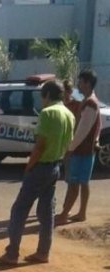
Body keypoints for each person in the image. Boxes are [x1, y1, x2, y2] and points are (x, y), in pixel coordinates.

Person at [0, 80, 74, 266]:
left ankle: (12, 253)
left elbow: (40, 145)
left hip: (41, 166)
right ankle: (43, 252)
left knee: (19, 209)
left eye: (42, 97)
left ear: (47, 96)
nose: (41, 101)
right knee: (46, 212)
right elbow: (69, 144)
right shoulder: (68, 114)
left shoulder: (48, 113)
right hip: (55, 166)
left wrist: (29, 165)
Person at [55, 70, 101, 225]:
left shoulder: (90, 103)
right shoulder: (90, 100)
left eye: (80, 81)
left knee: (74, 184)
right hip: (85, 150)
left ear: (87, 83)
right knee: (83, 182)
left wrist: (70, 148)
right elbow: (96, 126)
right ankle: (81, 213)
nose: (78, 85)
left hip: (81, 151)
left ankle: (64, 214)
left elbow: (83, 130)